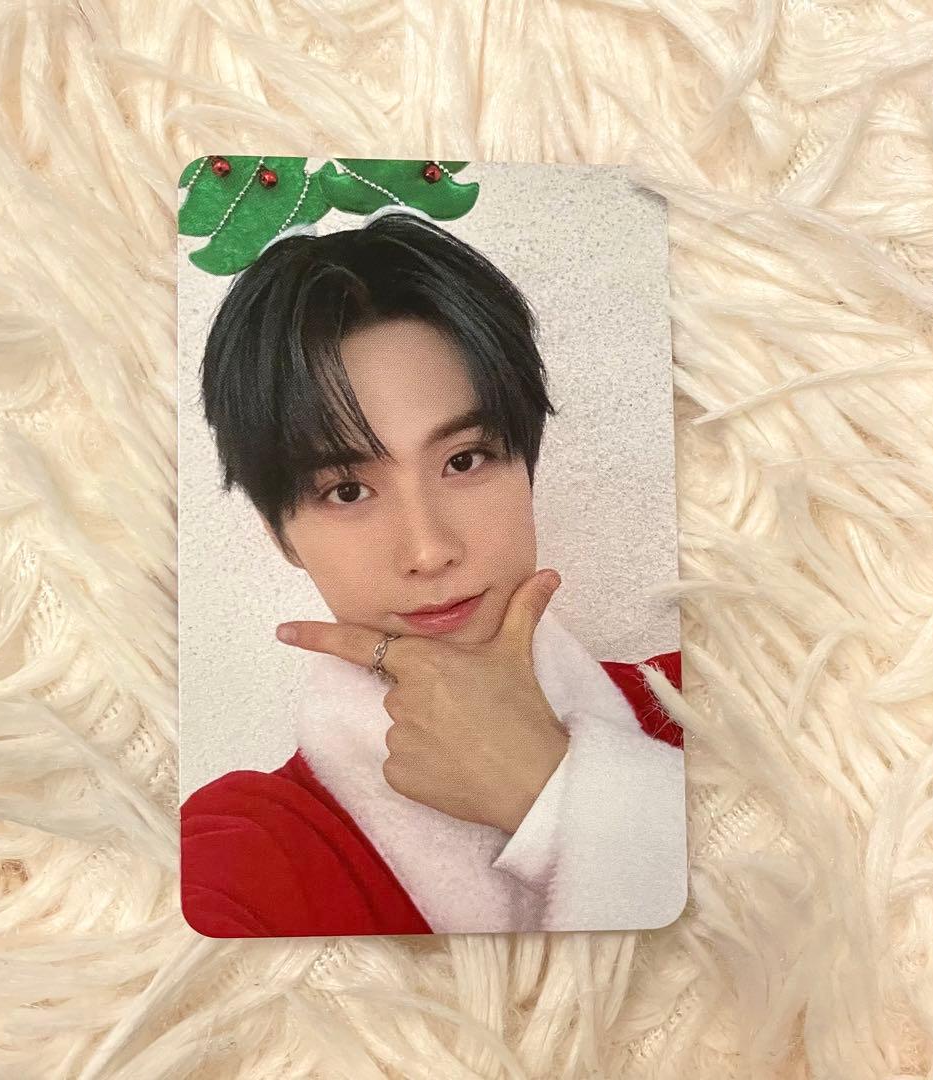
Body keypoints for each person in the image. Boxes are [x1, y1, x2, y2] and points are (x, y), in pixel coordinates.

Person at [181, 208, 687, 939]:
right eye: (346, 490)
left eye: (465, 460)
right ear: (279, 534)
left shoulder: (700, 704)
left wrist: (547, 786)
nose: (429, 550)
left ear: (527, 464)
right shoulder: (248, 848)